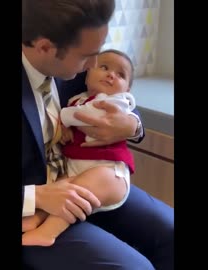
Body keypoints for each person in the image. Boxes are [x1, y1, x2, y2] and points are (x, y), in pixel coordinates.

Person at [22, 0, 174, 269]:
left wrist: (132, 126)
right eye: (86, 56)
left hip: (86, 177)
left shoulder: (75, 58)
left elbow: (120, 97)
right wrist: (37, 196)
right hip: (34, 206)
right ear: (45, 47)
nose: (94, 64)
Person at [22, 49, 138, 247]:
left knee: (75, 192)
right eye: (104, 67)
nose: (110, 74)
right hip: (65, 174)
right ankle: (39, 216)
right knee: (67, 189)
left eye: (120, 75)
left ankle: (48, 231)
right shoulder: (82, 91)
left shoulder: (111, 100)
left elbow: (79, 115)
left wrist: (133, 125)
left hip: (109, 174)